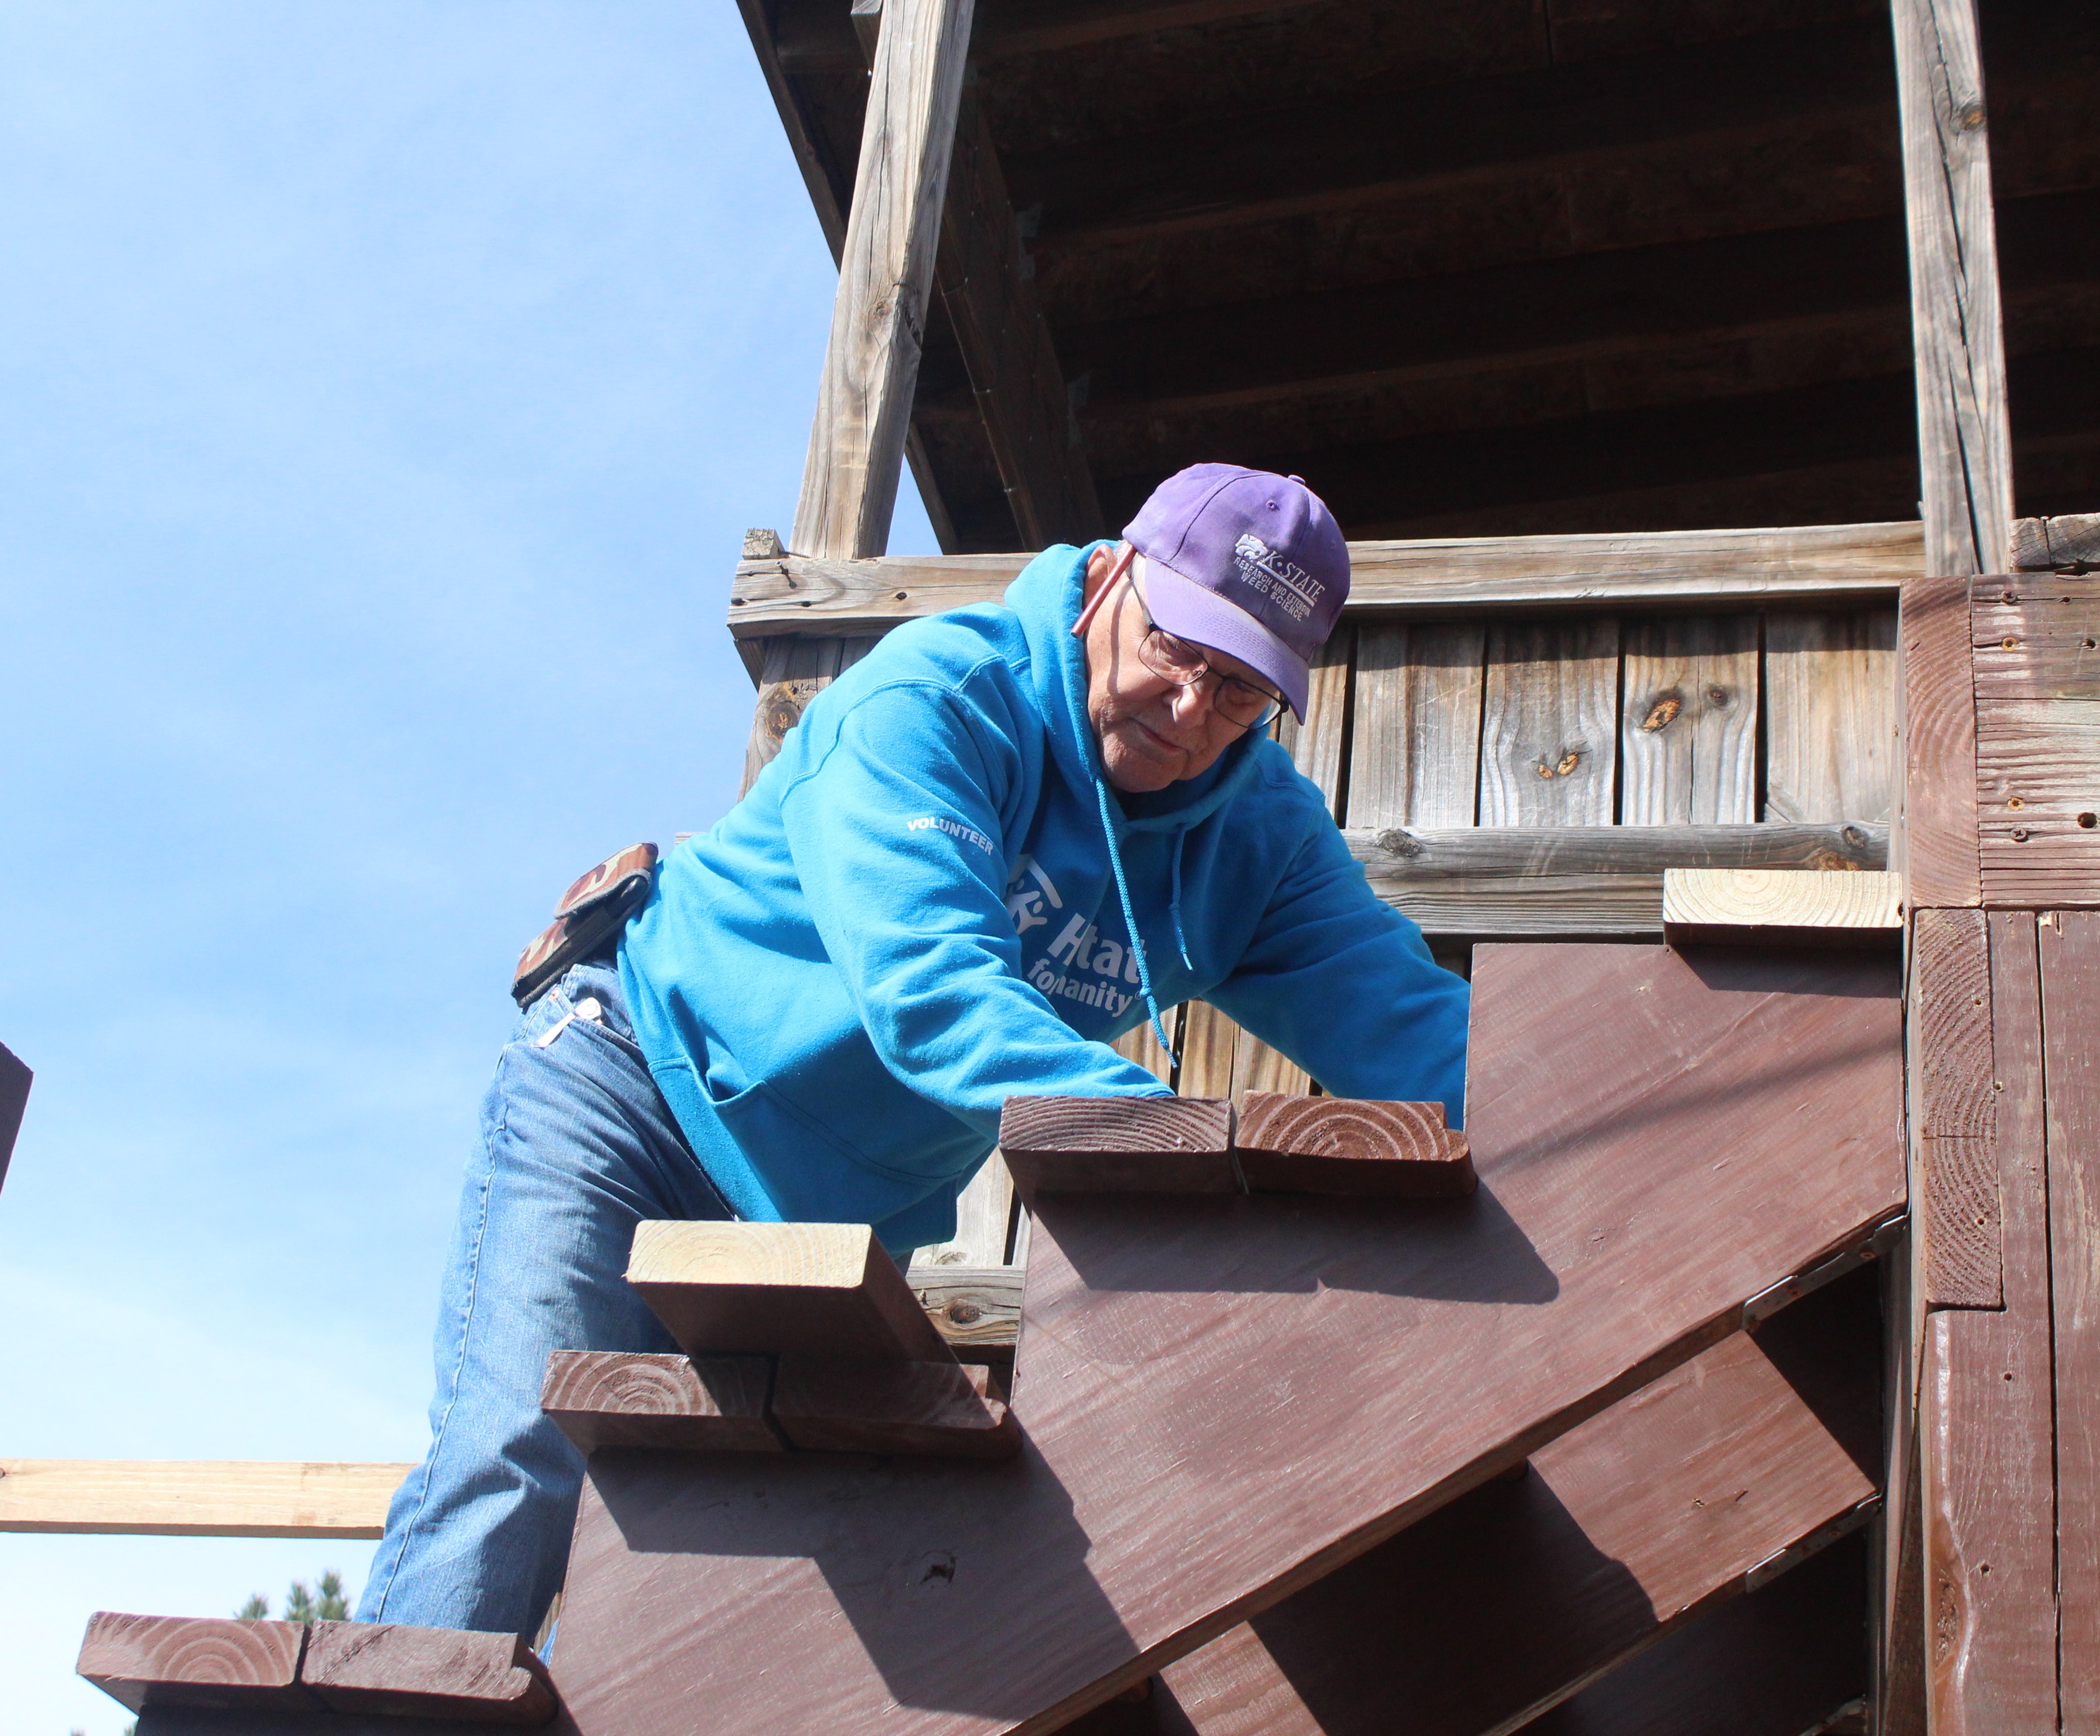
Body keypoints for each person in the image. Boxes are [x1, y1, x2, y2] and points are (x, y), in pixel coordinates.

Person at [356, 464, 1471, 1640]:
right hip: (634, 1088)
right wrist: (1193, 1159)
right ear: (1107, 580)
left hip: (823, 1224)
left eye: (1239, 692)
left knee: (765, 1588)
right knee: (518, 1466)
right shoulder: (937, 698)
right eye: (1175, 648)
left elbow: (1418, 1036)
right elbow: (931, 990)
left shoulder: (1262, 845)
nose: (1190, 710)